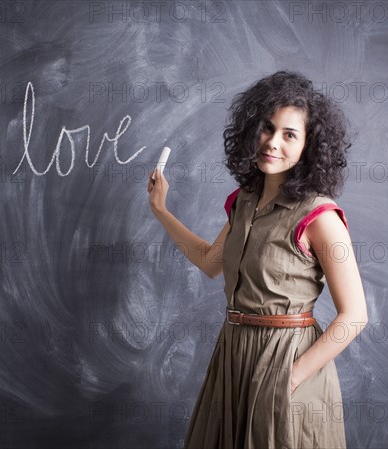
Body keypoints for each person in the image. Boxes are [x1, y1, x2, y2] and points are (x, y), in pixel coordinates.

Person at [147, 70, 368, 449]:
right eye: (267, 128)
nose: (272, 142)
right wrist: (161, 211)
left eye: (289, 134)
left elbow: (355, 316)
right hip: (232, 354)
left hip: (286, 362)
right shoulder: (243, 201)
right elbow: (210, 261)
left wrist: (292, 376)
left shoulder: (321, 217)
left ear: (308, 147)